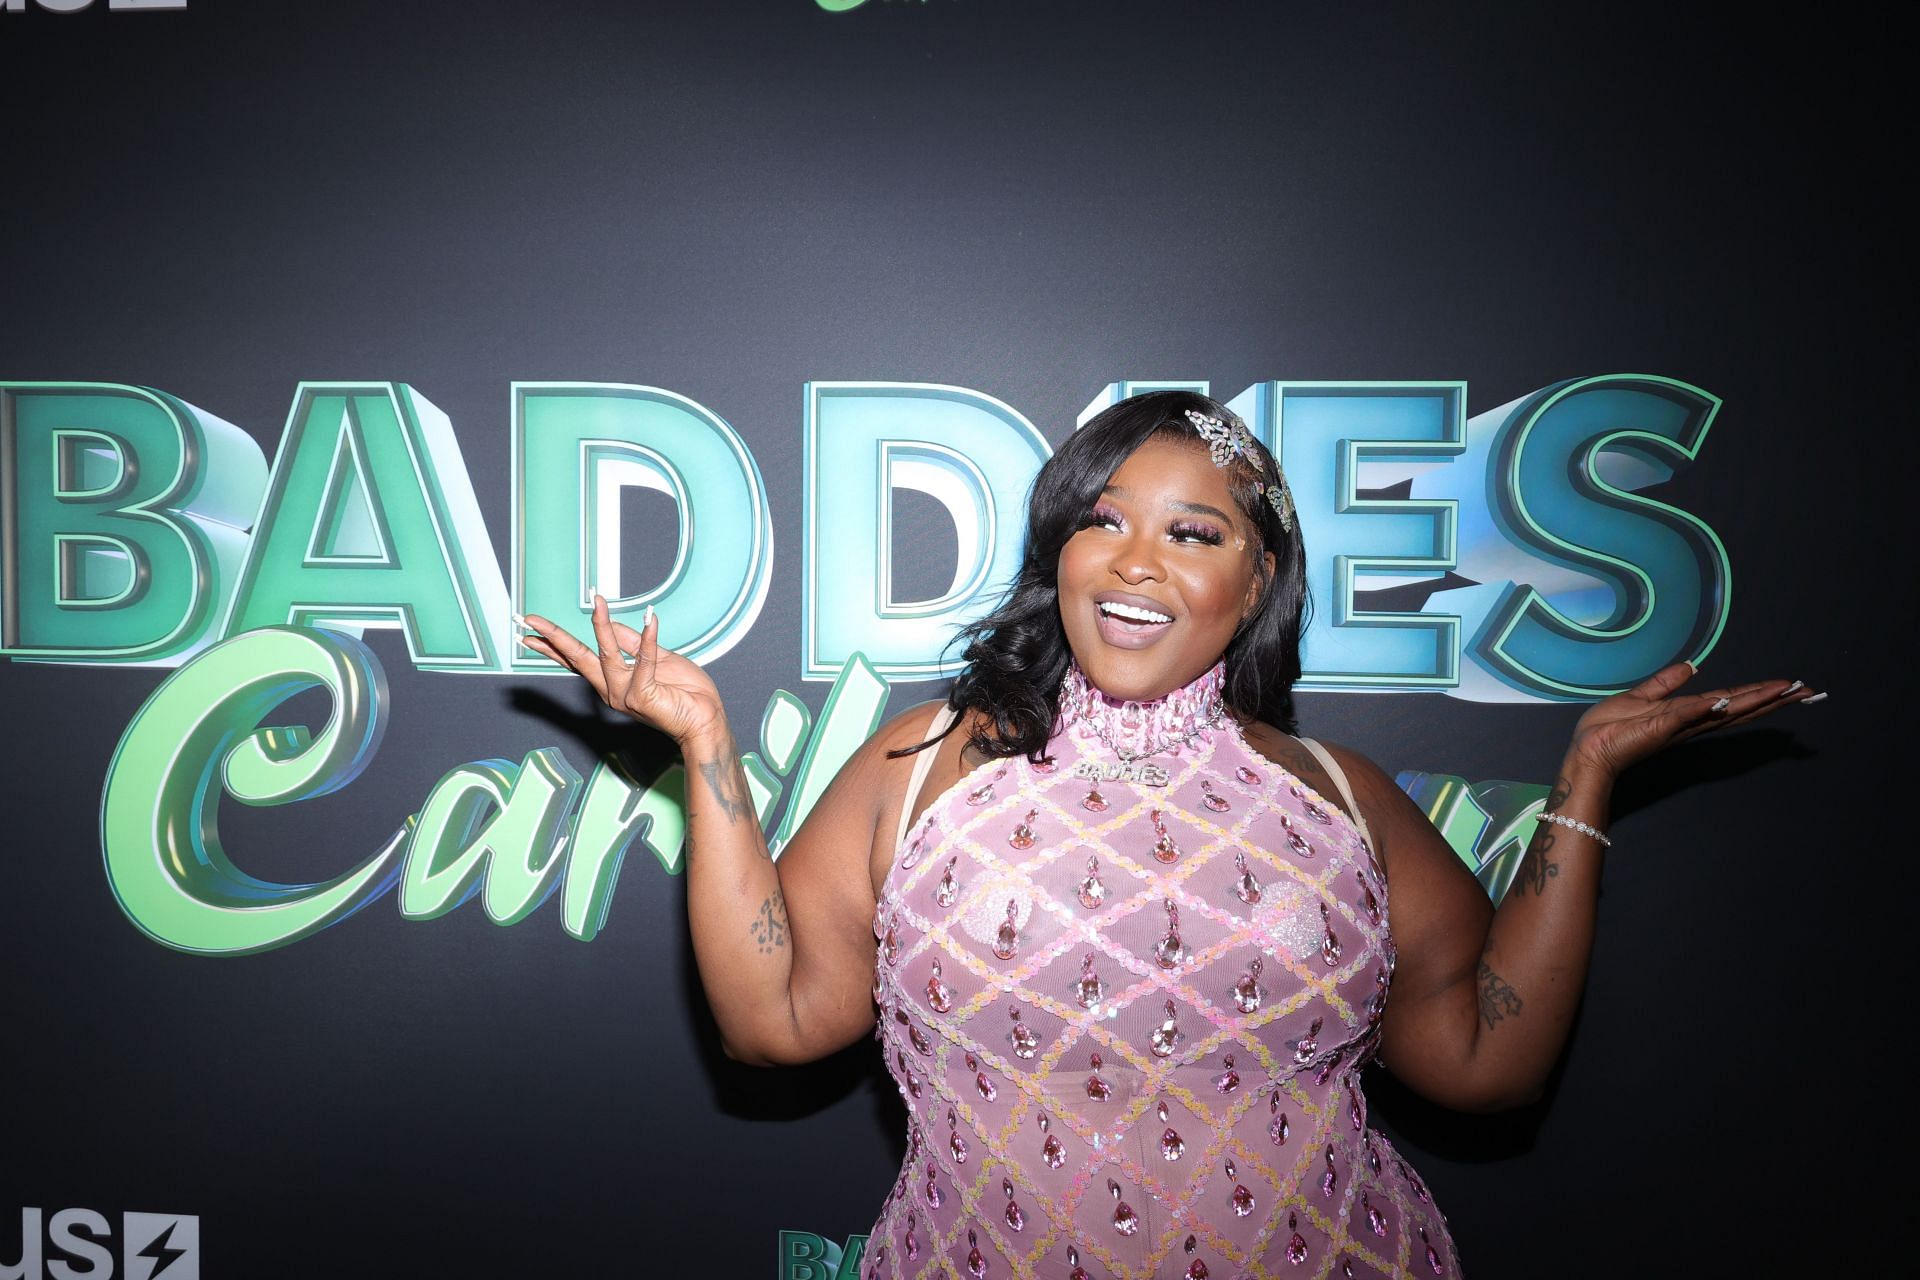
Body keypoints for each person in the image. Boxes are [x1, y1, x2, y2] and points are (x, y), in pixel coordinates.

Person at [519, 391, 1816, 1279]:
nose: (1136, 564)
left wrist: (1586, 778)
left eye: (1194, 533)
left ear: (1254, 582)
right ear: (1060, 551)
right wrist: (706, 751)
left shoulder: (1341, 796)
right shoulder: (922, 766)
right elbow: (775, 1022)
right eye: (1105, 520)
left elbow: (1485, 1063)